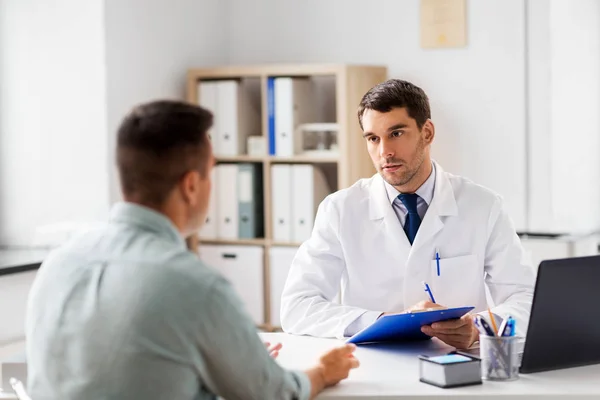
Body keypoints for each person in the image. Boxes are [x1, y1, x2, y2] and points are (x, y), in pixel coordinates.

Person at [25, 100, 359, 400]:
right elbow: (270, 393)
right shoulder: (196, 286)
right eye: (212, 173)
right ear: (191, 185)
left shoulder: (58, 264)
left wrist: (231, 358)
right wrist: (321, 373)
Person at [280, 79, 535, 349]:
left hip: (456, 366)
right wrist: (381, 323)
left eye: (396, 134)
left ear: (427, 133)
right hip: (374, 368)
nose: (384, 152)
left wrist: (478, 327)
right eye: (373, 138)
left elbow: (526, 298)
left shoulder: (484, 206)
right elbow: (297, 306)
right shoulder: (340, 210)